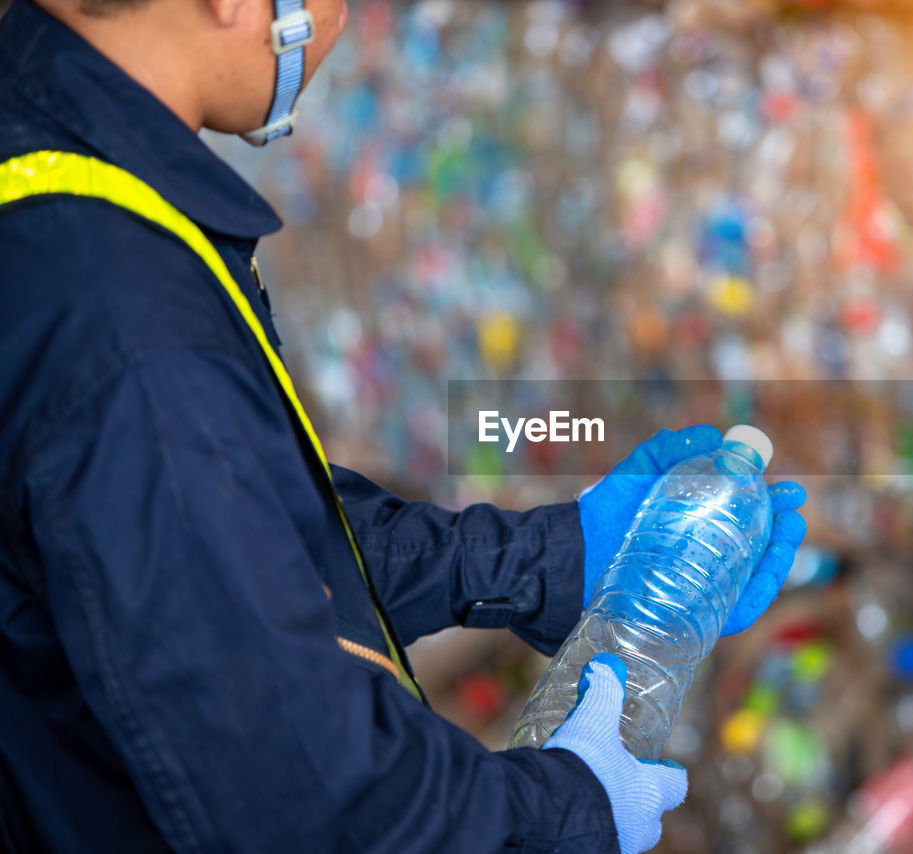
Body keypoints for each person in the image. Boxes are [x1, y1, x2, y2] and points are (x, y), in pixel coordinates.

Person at [0, 0, 808, 850]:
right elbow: (314, 800)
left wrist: (547, 560)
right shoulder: (129, 330)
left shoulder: (52, 172)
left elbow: (245, 533)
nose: (341, 15)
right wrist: (562, 808)